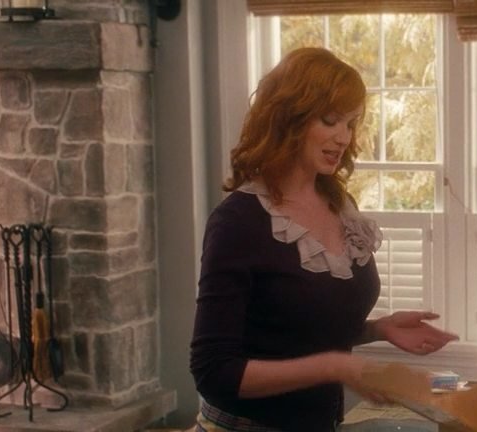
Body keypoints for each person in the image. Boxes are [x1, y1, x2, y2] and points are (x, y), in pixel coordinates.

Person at [189, 47, 458, 432]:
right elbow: (214, 372)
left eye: (350, 123)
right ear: (287, 118)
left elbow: (296, 331)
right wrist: (336, 366)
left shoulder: (339, 205)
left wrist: (378, 329)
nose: (343, 137)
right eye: (330, 120)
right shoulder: (238, 222)